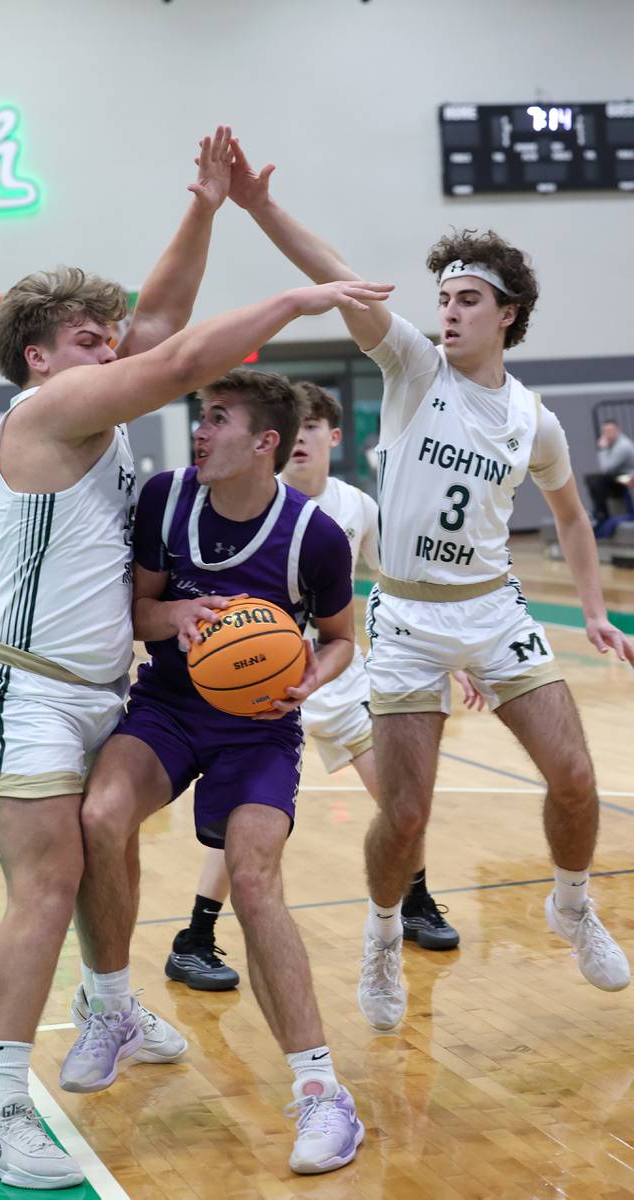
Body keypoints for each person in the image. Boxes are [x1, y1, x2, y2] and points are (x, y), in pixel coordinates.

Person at [0, 123, 384, 1189]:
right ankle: (0, 1110)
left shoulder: (99, 405)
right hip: (24, 688)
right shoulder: (50, 410)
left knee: (103, 838)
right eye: (93, 337)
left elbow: (161, 319)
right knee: (47, 881)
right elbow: (184, 352)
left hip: (99, 689)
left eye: (110, 335)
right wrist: (294, 300)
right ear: (41, 356)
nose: (117, 344)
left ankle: (111, 1008)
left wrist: (203, 204)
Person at [225, 139, 634, 1034]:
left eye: (467, 299)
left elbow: (569, 515)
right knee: (405, 813)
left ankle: (571, 902)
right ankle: (381, 934)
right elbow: (343, 276)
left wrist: (596, 610)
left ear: (508, 313)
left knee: (575, 776)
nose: (447, 312)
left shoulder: (535, 418)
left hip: (495, 612)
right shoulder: (414, 369)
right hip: (407, 618)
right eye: (443, 298)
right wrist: (258, 208)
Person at [64, 368, 375, 1175]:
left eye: (218, 419)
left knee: (255, 874)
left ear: (265, 441)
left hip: (258, 728)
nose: (200, 431)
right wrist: (177, 616)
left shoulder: (315, 536)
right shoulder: (168, 500)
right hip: (168, 704)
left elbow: (343, 635)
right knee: (99, 818)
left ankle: (320, 1094)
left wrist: (314, 674)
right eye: (201, 416)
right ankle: (112, 1010)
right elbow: (136, 612)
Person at [165, 381, 466, 995]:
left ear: (332, 435)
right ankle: (194, 937)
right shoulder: (235, 500)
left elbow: (401, 581)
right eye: (292, 429)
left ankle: (415, 901)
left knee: (401, 800)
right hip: (252, 685)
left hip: (331, 675)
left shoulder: (355, 508)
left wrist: (449, 651)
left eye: (312, 428)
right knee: (240, 819)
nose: (300, 439)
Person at [585, 419, 634, 531]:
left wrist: (602, 448)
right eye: (605, 431)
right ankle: (599, 512)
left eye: (611, 431)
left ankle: (601, 514)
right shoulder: (612, 444)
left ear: (618, 430)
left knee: (598, 480)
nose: (608, 434)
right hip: (619, 478)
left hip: (628, 477)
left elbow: (606, 468)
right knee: (592, 479)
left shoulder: (623, 446)